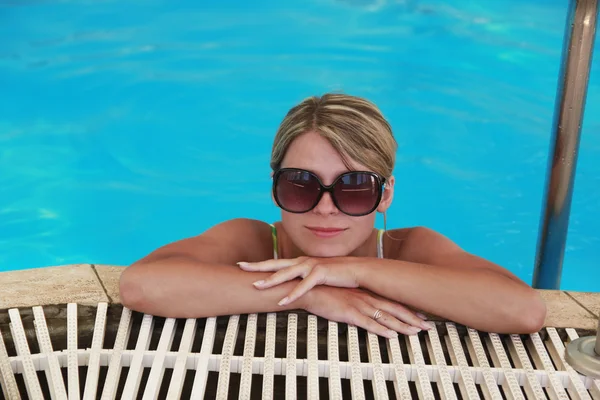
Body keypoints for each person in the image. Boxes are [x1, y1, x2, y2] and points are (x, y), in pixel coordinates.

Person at [119, 93, 547, 337]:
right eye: (301, 184)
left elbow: (523, 310)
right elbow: (142, 284)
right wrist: (309, 292)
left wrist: (353, 270)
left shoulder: (408, 248)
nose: (326, 207)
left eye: (355, 187)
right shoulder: (253, 241)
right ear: (275, 188)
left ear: (385, 195)